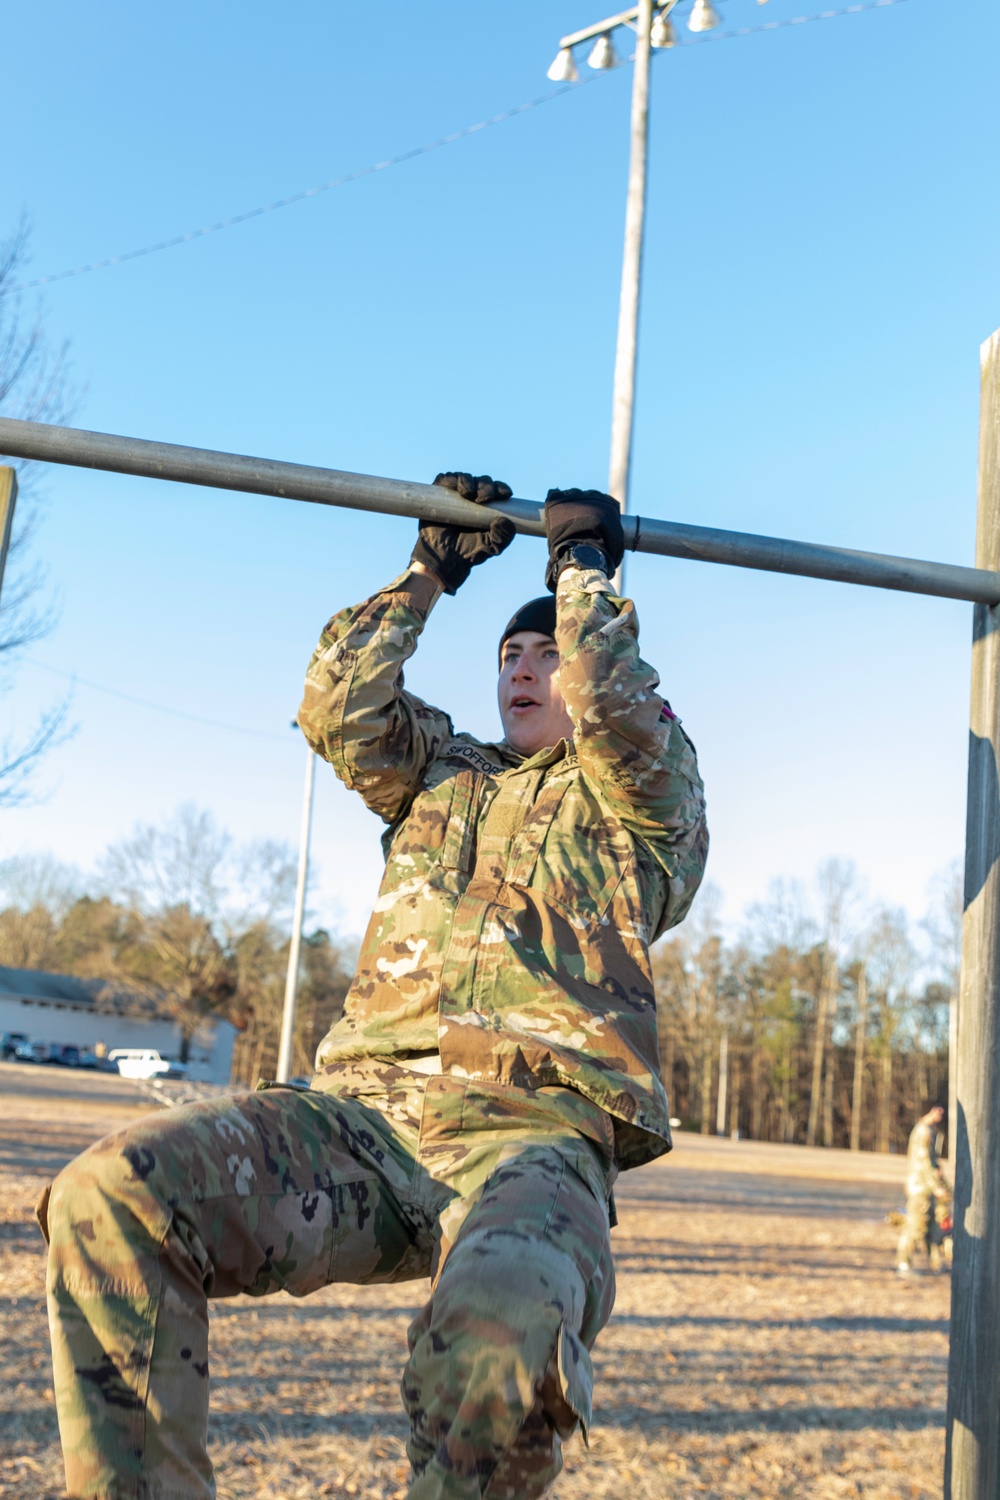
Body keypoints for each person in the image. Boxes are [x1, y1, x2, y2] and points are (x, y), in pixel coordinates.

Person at [37, 476, 708, 1500]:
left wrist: (581, 572)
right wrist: (427, 574)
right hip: (359, 1127)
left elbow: (619, 708)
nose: (525, 672)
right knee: (110, 1195)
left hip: (524, 1140)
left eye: (547, 657)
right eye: (509, 658)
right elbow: (335, 704)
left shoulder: (637, 804)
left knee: (503, 1321)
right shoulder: (440, 772)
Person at [897, 1101, 949, 1276]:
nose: (940, 1114)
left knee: (933, 1227)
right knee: (915, 1226)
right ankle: (903, 1264)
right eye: (938, 1110)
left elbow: (932, 1164)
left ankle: (936, 1264)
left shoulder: (928, 1131)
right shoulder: (924, 1132)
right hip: (921, 1189)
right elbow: (924, 1163)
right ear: (930, 1111)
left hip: (926, 1188)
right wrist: (936, 1187)